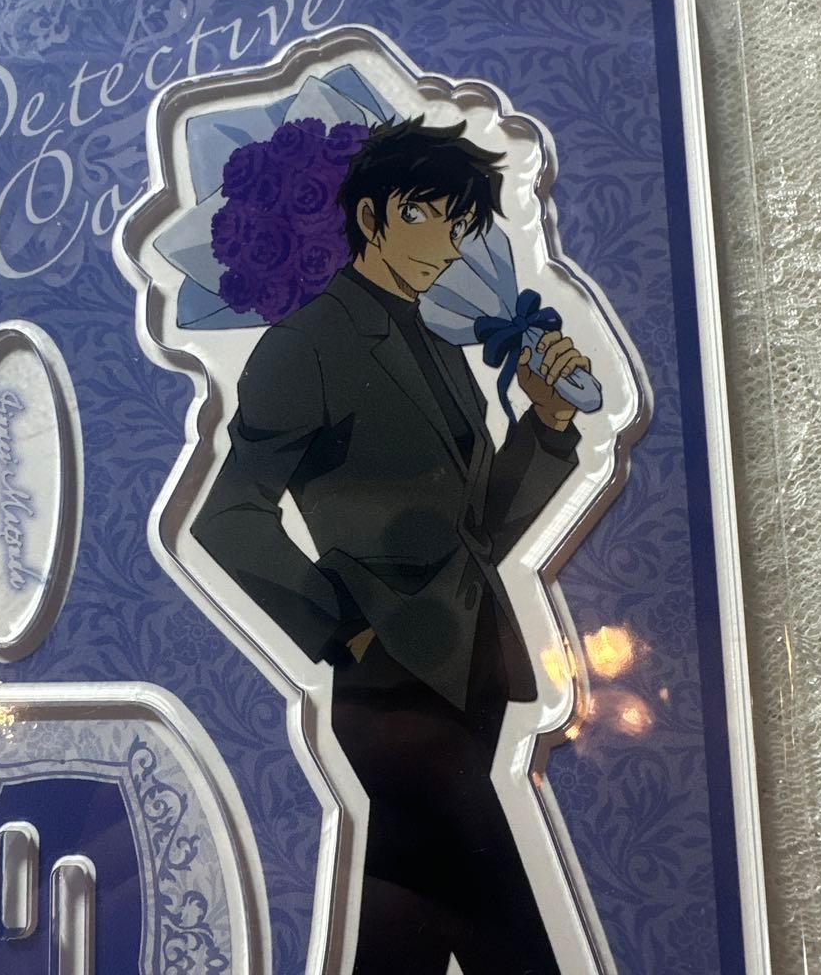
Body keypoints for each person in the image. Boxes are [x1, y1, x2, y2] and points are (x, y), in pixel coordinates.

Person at [192, 117, 591, 974]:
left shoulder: (441, 348)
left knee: (405, 926)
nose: (446, 245)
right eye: (425, 217)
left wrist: (547, 424)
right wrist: (346, 631)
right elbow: (227, 517)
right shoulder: (305, 346)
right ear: (371, 217)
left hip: (475, 674)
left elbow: (480, 530)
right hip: (393, 687)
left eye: (460, 225)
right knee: (508, 922)